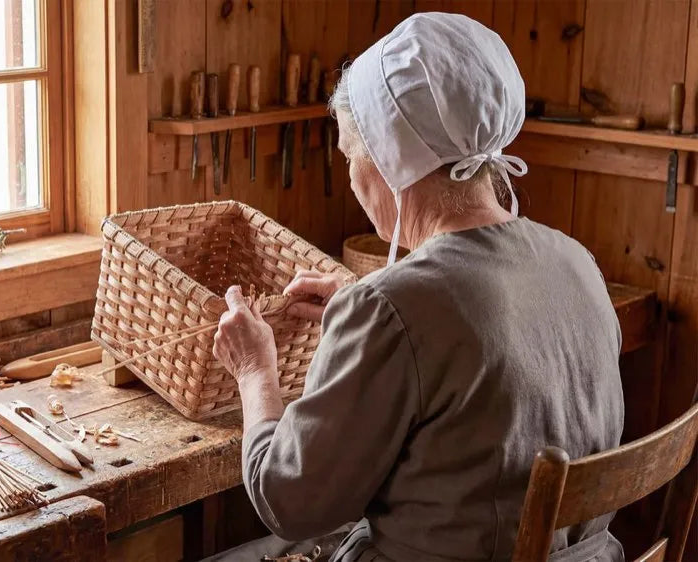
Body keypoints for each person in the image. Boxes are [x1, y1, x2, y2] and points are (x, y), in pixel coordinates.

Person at [209, 12, 625, 562]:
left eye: (353, 158)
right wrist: (372, 311)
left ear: (389, 161)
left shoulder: (394, 309)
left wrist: (253, 370)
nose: (354, 178)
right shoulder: (575, 262)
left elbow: (287, 499)